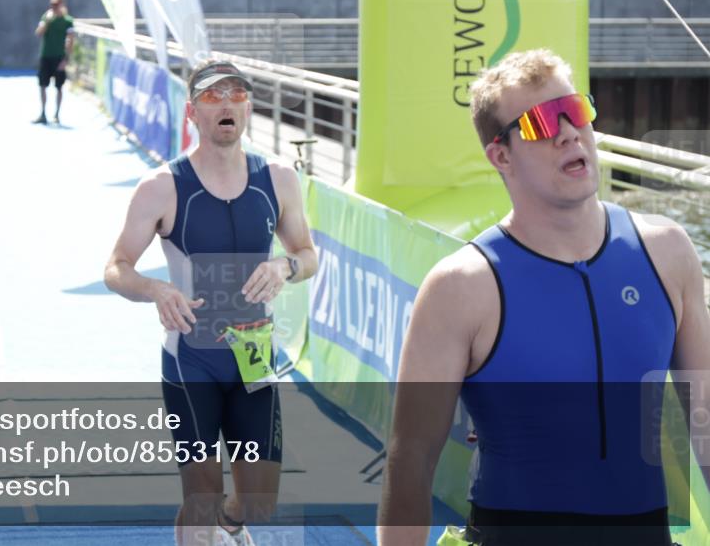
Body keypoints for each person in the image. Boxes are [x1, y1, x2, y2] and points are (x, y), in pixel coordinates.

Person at [378, 49, 710, 546]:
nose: (570, 133)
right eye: (541, 123)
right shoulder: (461, 286)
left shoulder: (668, 252)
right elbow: (411, 458)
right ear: (501, 155)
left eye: (575, 110)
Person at [104, 60, 318, 546]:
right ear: (192, 113)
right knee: (199, 492)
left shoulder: (279, 179)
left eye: (236, 94)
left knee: (258, 501)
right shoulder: (161, 187)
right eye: (212, 96)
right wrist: (156, 290)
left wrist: (285, 267)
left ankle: (228, 524)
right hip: (191, 361)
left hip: (254, 358)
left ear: (248, 109)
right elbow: (116, 267)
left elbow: (307, 255)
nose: (226, 103)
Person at [34, 0, 74, 125]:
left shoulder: (68, 21)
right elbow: (38, 33)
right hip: (46, 56)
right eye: (52, 5)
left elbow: (70, 40)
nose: (54, 7)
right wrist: (46, 22)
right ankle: (43, 113)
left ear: (62, 5)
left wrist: (65, 59)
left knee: (59, 87)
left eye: (57, 5)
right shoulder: (46, 17)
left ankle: (57, 114)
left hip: (59, 58)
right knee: (43, 85)